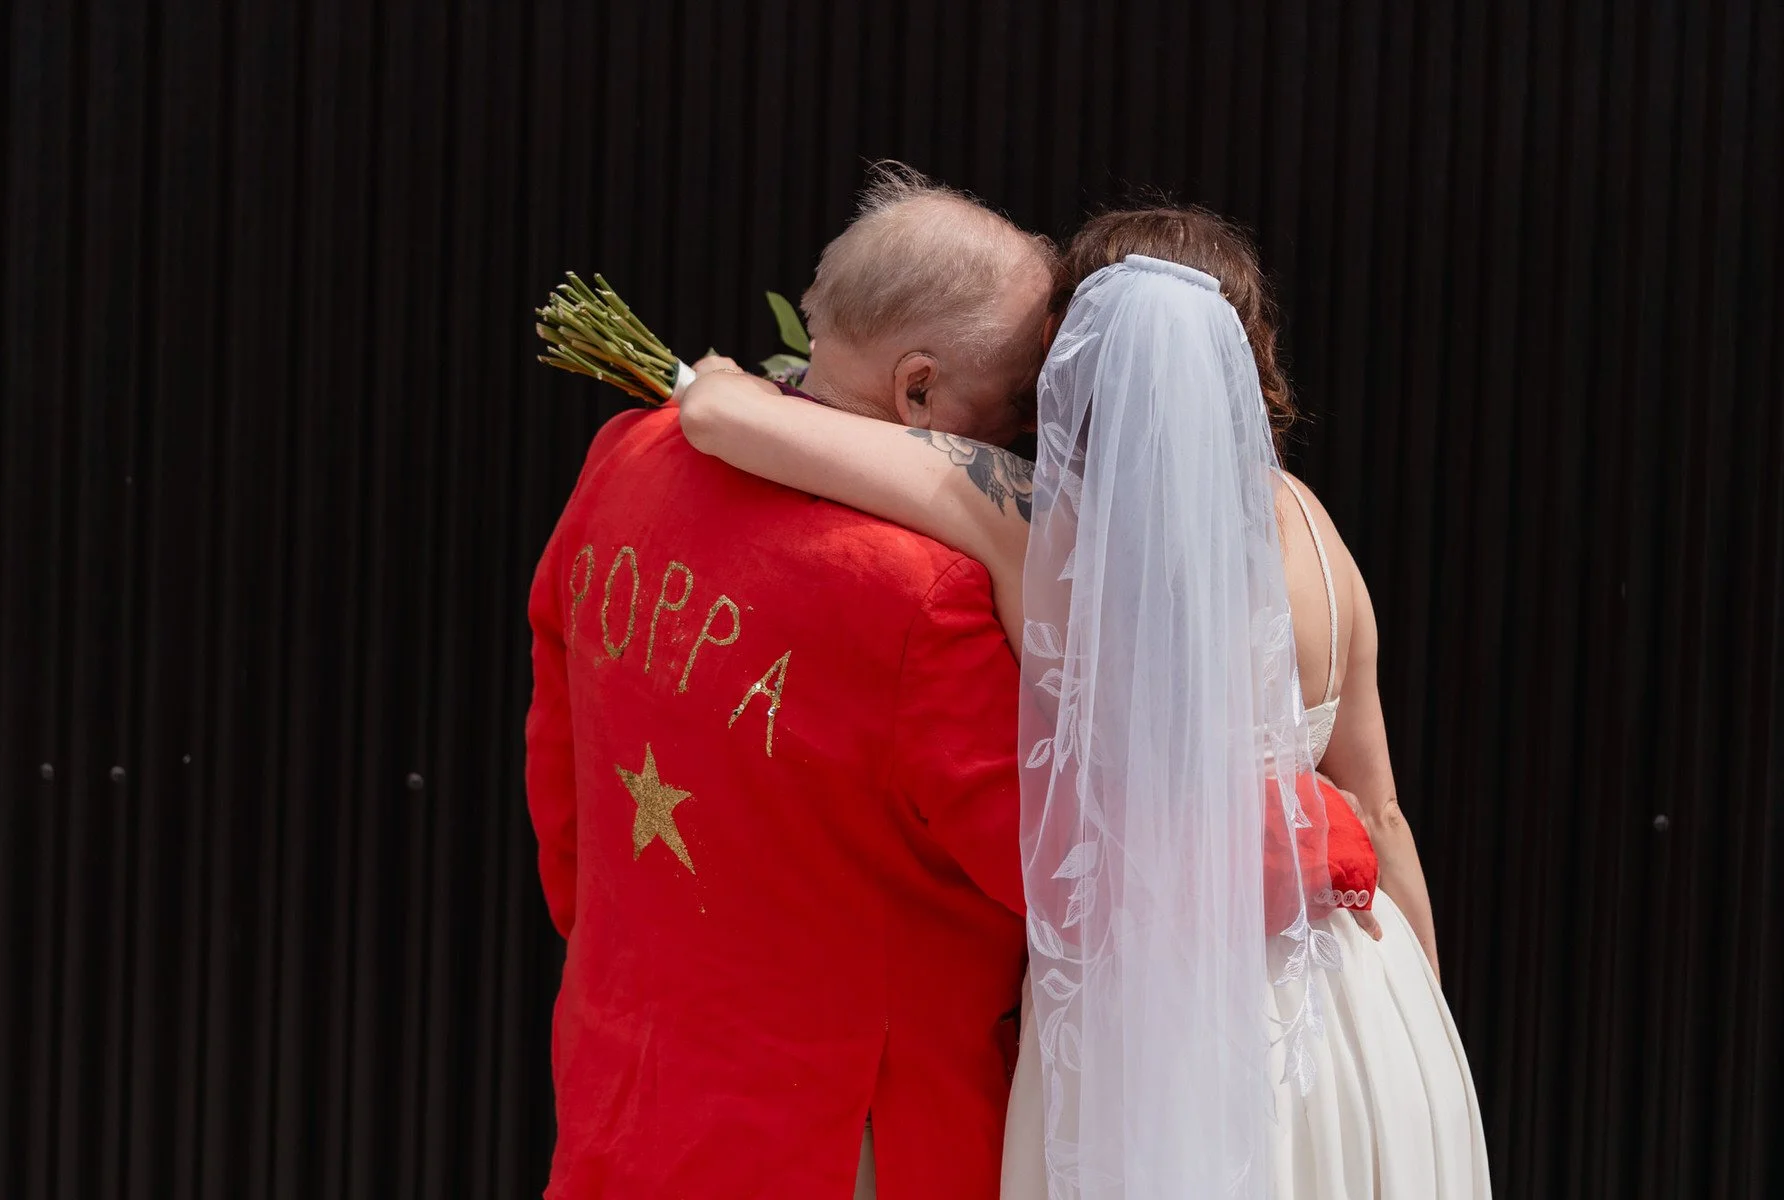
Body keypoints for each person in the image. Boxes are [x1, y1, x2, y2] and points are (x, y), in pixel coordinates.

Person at [677, 206, 1489, 1197]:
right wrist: (1420, 1031)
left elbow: (725, 421)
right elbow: (1383, 813)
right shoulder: (1315, 533)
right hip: (1354, 997)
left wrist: (702, 376)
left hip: (1145, 1021)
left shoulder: (1029, 526)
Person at [522, 166, 1055, 1198]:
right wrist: (1311, 828)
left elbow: (562, 774)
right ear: (920, 389)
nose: (1022, 438)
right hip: (834, 1136)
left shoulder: (628, 454)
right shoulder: (922, 593)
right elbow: (1051, 865)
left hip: (628, 1065)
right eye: (1015, 407)